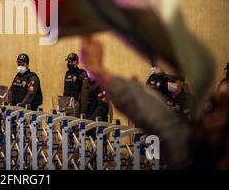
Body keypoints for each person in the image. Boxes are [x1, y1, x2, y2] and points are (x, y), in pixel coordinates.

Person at [80, 35, 229, 169]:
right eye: (212, 105)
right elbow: (156, 114)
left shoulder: (185, 98)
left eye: (223, 108)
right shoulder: (195, 152)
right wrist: (99, 72)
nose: (209, 117)